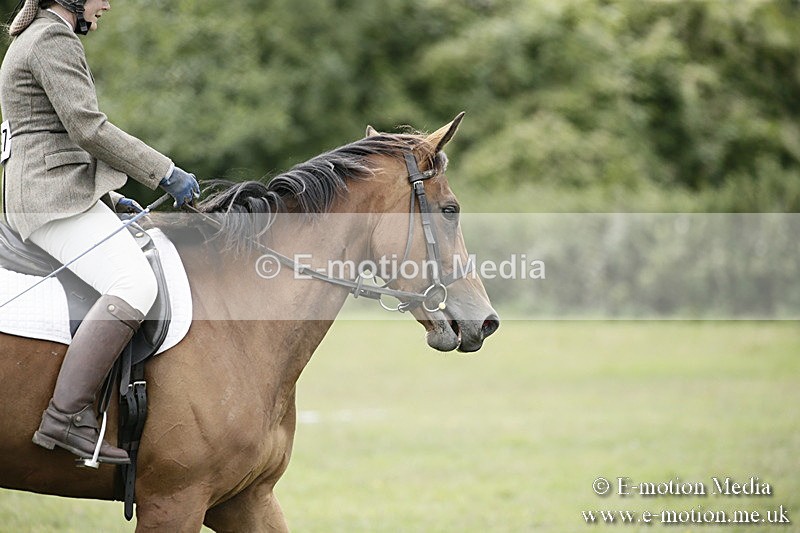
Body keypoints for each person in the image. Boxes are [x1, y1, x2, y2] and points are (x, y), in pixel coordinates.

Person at [0, 0, 200, 465]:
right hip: (48, 202)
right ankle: (66, 415)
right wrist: (163, 171)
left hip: (56, 192)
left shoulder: (36, 39)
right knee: (135, 283)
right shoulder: (52, 39)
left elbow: (48, 138)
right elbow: (87, 128)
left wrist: (108, 199)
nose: (105, 4)